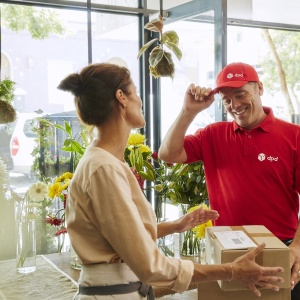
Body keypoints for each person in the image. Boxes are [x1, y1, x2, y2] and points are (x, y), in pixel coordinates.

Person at [58, 62, 284, 300]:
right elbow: (151, 266)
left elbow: (123, 235)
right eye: (135, 92)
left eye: (241, 95)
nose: (141, 100)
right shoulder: (103, 169)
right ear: (121, 98)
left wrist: (177, 226)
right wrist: (231, 271)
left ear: (259, 88)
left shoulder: (111, 163)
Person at [158, 62, 300, 300]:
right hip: (226, 253)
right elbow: (167, 154)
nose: (234, 105)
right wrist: (188, 112)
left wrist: (297, 247)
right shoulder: (212, 134)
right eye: (226, 100)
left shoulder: (294, 136)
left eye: (240, 94)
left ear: (259, 89)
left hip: (281, 251)